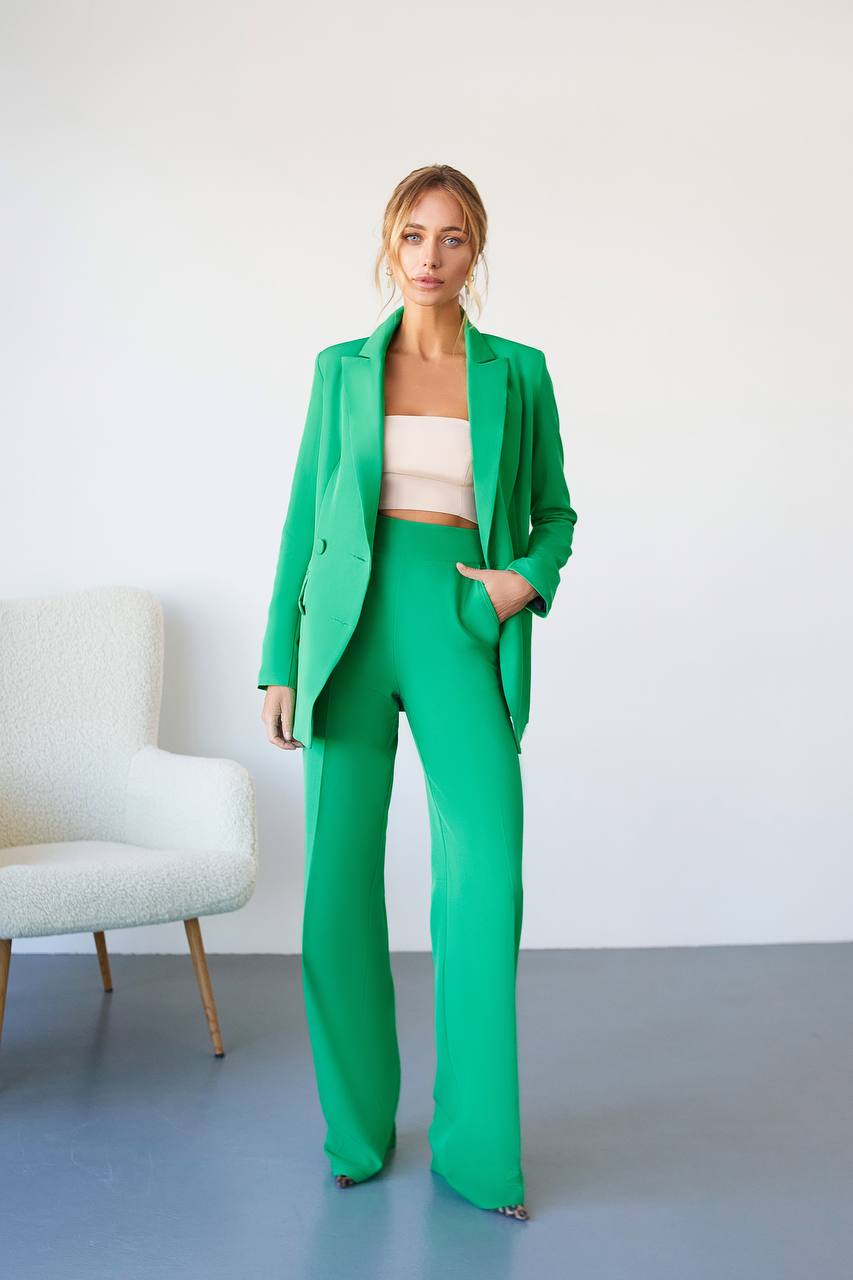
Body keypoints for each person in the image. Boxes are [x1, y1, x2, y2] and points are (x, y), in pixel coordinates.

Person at [259, 164, 578, 1222]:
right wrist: (278, 660)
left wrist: (518, 581)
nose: (429, 257)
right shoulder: (340, 370)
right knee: (334, 899)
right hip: (346, 637)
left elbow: (553, 515)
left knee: (483, 886)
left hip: (456, 626)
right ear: (388, 246)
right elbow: (306, 519)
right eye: (412, 235)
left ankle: (479, 1152)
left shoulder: (518, 374)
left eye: (450, 238)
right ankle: (355, 1132)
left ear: (473, 251)